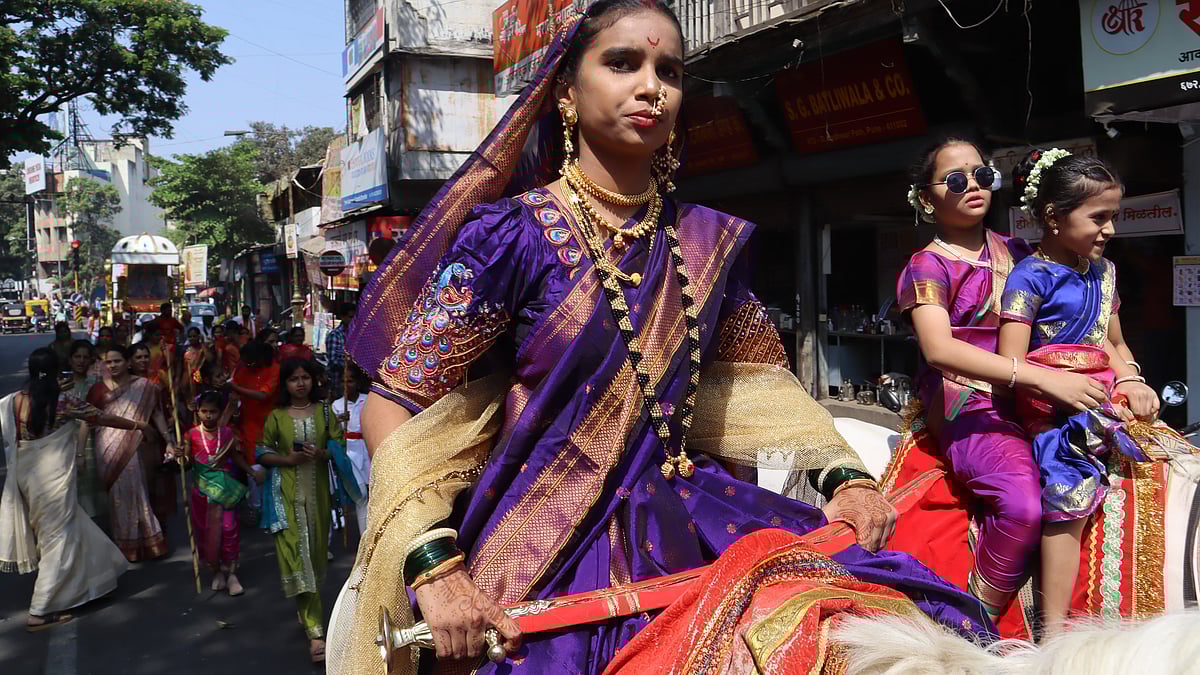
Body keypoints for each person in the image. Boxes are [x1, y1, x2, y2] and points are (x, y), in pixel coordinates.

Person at [328, 4, 989, 673]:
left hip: (689, 514)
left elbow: (764, 388)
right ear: (566, 92)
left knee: (896, 616)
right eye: (623, 63)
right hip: (542, 540)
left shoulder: (705, 241)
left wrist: (844, 477)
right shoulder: (509, 238)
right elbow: (395, 401)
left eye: (668, 70)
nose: (652, 86)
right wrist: (434, 564)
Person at [998, 148, 1187, 636]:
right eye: (1098, 217)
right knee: (1068, 480)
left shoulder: (1104, 274)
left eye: (1114, 217)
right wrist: (1059, 391)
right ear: (1053, 218)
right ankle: (1054, 632)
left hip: (1107, 401)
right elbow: (1010, 363)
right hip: (1053, 412)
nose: (1110, 230)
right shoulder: (1029, 276)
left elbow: (1114, 341)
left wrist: (1131, 379)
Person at [0, 348, 143, 630]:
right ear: (56, 371)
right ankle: (39, 610)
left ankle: (88, 586)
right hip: (53, 480)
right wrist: (138, 425)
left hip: (26, 477)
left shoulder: (12, 402)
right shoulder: (62, 401)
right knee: (58, 539)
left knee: (63, 531)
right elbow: (103, 418)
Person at [257, 359, 342, 663]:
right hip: (285, 501)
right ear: (285, 384)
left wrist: (321, 453)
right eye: (294, 378)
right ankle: (316, 635)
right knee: (299, 558)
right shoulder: (276, 417)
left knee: (316, 560)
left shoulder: (323, 412)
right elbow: (262, 452)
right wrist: (288, 461)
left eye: (306, 377)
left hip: (318, 501)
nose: (301, 383)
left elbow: (339, 447)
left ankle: (307, 612)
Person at [87, 346, 177, 561]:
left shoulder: (145, 386)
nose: (113, 366)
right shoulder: (97, 390)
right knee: (117, 496)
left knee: (138, 490)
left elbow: (157, 415)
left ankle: (147, 541)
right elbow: (87, 421)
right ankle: (126, 544)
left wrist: (169, 441)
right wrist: (81, 453)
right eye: (108, 362)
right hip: (106, 448)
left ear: (128, 362)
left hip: (136, 446)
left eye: (117, 361)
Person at [168, 391, 263, 596]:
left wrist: (251, 473)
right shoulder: (190, 435)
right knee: (205, 531)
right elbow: (185, 461)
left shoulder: (228, 433)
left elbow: (236, 457)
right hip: (202, 492)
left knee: (229, 529)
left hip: (225, 490)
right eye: (204, 411)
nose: (208, 415)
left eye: (213, 412)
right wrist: (179, 456)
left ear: (220, 413)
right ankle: (216, 570)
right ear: (197, 412)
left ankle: (231, 573)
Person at [66, 340, 105, 522]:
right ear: (70, 359)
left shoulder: (96, 385)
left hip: (93, 442)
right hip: (64, 443)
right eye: (77, 357)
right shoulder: (62, 386)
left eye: (85, 357)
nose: (81, 361)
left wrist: (81, 453)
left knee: (90, 487)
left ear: (91, 360)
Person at [331, 368, 369, 535]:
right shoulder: (337, 405)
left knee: (370, 491)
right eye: (343, 382)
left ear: (358, 383)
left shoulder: (367, 400)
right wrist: (339, 420)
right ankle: (363, 535)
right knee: (360, 493)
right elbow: (332, 431)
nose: (347, 385)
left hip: (366, 448)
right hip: (348, 451)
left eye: (350, 381)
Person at [324, 302, 355, 397]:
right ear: (343, 317)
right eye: (351, 317)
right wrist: (350, 365)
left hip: (355, 386)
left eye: (355, 317)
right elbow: (333, 361)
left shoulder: (357, 335)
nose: (354, 320)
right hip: (339, 385)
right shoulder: (335, 336)